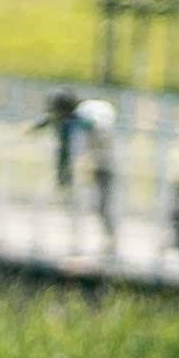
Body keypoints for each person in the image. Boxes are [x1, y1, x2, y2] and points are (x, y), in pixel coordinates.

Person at [32, 87, 119, 251]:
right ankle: (76, 241)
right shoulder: (71, 120)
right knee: (76, 203)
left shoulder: (91, 114)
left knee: (102, 205)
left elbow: (93, 125)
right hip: (84, 164)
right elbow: (51, 120)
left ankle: (110, 241)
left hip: (104, 163)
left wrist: (75, 125)